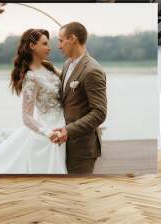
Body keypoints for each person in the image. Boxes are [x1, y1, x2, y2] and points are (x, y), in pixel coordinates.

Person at [0, 28, 67, 174]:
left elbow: (69, 79)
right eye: (45, 44)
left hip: (64, 125)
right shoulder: (31, 77)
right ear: (32, 46)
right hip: (50, 133)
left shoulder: (49, 67)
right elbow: (26, 116)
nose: (49, 47)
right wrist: (47, 133)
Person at [50, 22, 107, 174]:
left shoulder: (93, 71)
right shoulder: (67, 64)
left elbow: (99, 113)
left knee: (79, 194)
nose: (59, 46)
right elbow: (68, 91)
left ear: (73, 38)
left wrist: (68, 130)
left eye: (61, 40)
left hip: (82, 148)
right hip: (65, 144)